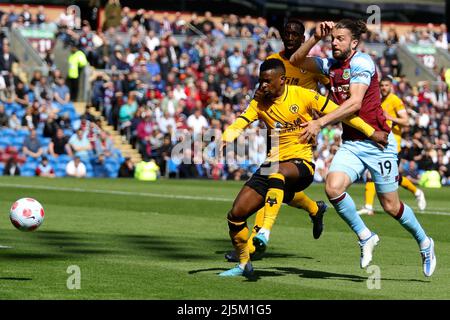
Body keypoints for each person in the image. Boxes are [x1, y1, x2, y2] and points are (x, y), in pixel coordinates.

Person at [290, 20, 436, 277]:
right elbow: (296, 61)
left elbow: (355, 103)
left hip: (379, 143)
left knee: (391, 206)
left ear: (354, 43)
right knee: (332, 188)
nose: (334, 42)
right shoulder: (329, 65)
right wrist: (314, 38)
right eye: (332, 38)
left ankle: (425, 242)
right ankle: (365, 236)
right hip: (353, 143)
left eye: (340, 39)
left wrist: (319, 123)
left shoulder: (362, 63)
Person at [219, 59, 387, 277]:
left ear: (282, 80)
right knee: (235, 215)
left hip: (302, 164)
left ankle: (265, 232)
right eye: (261, 81)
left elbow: (343, 113)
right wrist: (225, 138)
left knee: (277, 174)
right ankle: (243, 265)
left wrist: (371, 132)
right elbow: (240, 122)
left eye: (268, 81)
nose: (263, 86)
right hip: (272, 164)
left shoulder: (303, 95)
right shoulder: (260, 102)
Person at [225, 18, 330, 263]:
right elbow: (259, 94)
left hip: (301, 130)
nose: (291, 38)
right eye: (287, 34)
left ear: (303, 38)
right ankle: (315, 209)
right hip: (275, 129)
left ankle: (253, 243)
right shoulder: (274, 61)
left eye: (296, 34)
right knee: (276, 182)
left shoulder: (313, 65)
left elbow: (333, 89)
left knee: (274, 177)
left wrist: (321, 119)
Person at [357, 76, 426, 215]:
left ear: (391, 86)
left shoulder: (395, 100)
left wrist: (390, 118)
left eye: (386, 85)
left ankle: (417, 192)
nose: (383, 88)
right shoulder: (378, 100)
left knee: (388, 176)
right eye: (382, 85)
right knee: (376, 174)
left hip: (394, 145)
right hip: (380, 143)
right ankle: (369, 207)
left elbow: (406, 121)